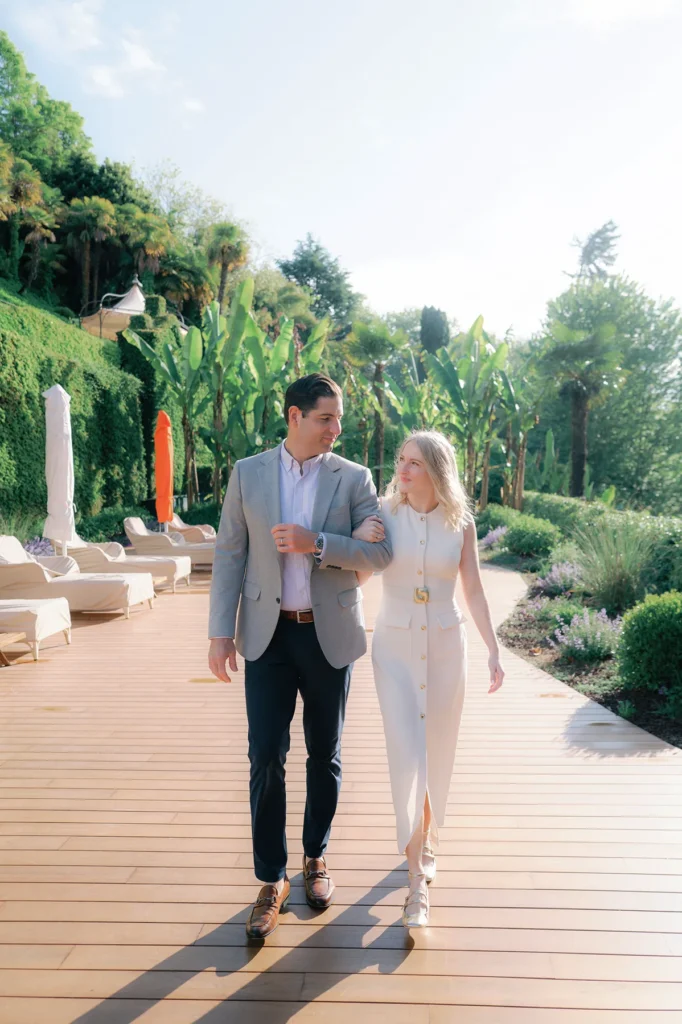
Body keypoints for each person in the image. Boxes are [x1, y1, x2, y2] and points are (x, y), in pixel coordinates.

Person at [208, 373, 392, 940]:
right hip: (267, 636)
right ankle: (271, 878)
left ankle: (315, 857)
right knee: (264, 753)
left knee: (325, 754)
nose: (336, 429)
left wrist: (318, 542)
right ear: (294, 416)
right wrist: (220, 633)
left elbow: (381, 551)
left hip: (328, 635)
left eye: (338, 419)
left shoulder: (355, 478)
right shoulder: (249, 473)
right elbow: (230, 554)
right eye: (325, 418)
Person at [354, 431, 505, 928]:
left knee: (436, 748)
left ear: (437, 469)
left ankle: (427, 834)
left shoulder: (460, 522)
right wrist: (360, 544)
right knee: (407, 751)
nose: (403, 469)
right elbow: (357, 576)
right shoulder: (382, 512)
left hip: (445, 648)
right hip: (393, 649)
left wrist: (493, 648)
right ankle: (416, 885)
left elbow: (475, 590)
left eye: (414, 463)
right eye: (401, 460)